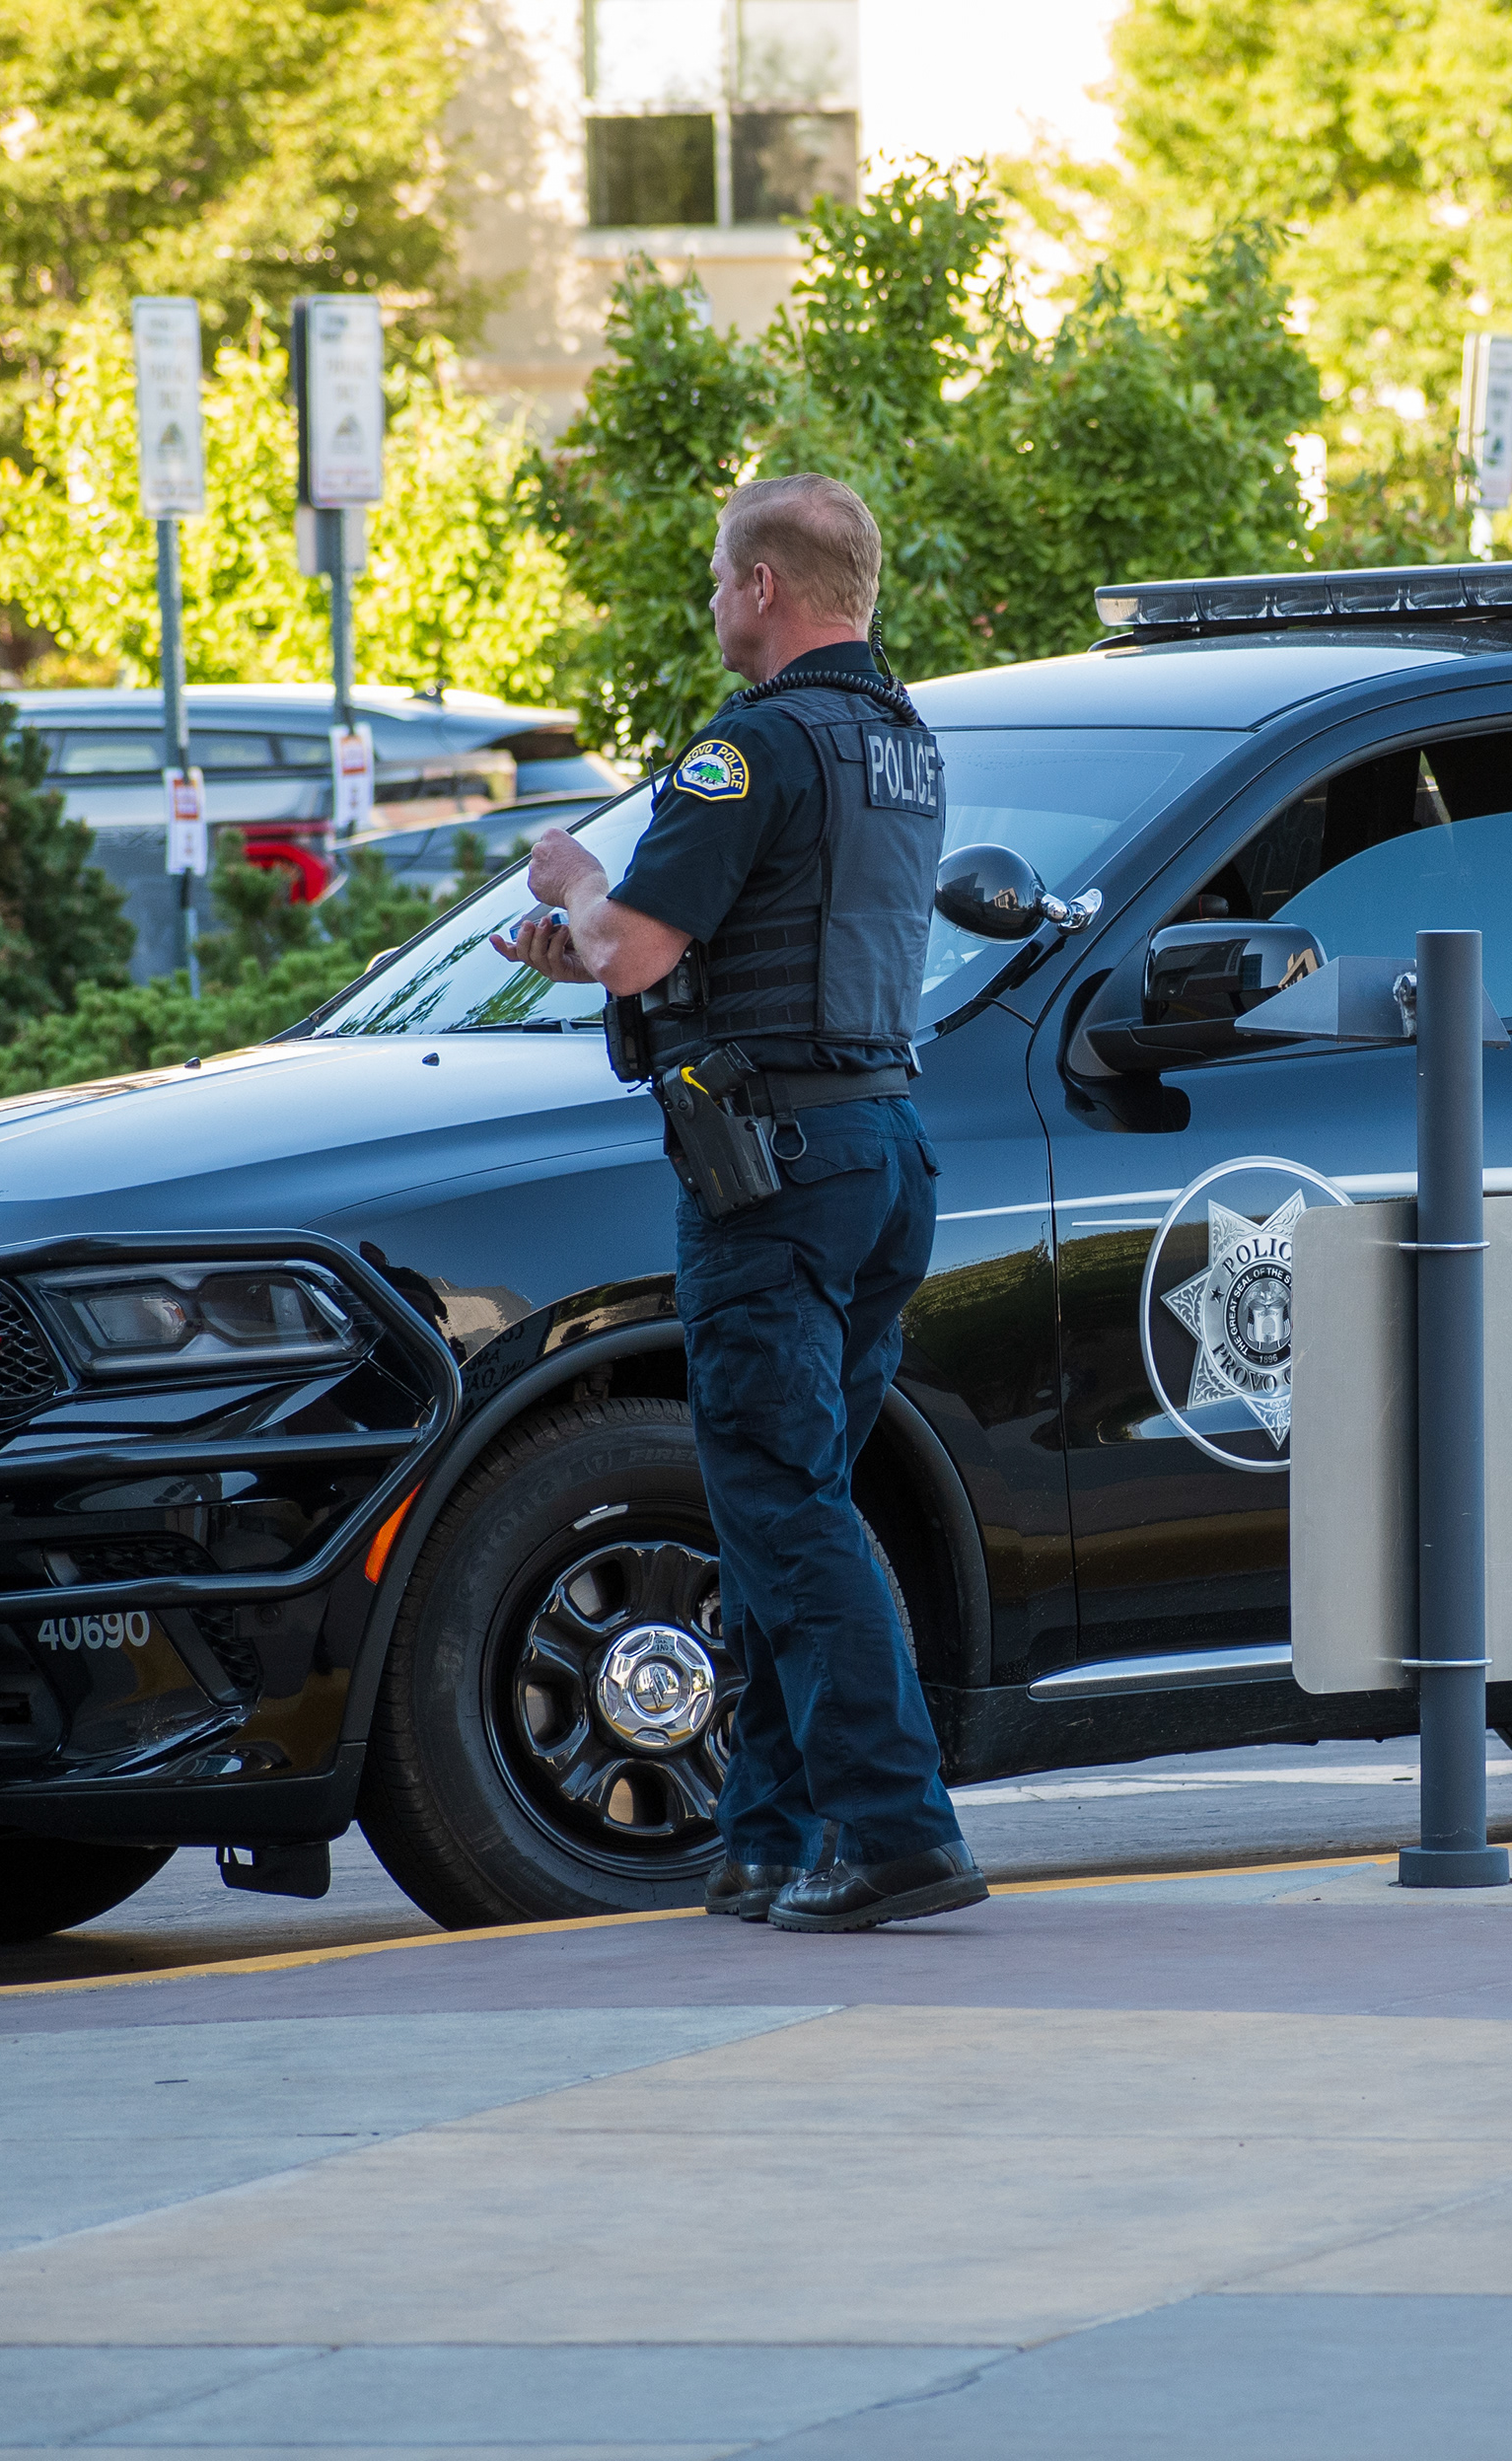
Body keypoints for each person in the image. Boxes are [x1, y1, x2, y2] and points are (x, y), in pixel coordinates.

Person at [489, 474, 982, 1933]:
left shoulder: (748, 750)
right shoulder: (898, 744)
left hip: (773, 1178)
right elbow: (724, 946)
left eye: (719, 578)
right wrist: (594, 941)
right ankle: (767, 1836)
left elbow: (634, 951)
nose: (712, 601)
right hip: (880, 1155)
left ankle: (897, 1830)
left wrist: (576, 879)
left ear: (765, 587)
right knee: (793, 1502)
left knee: (779, 1505)